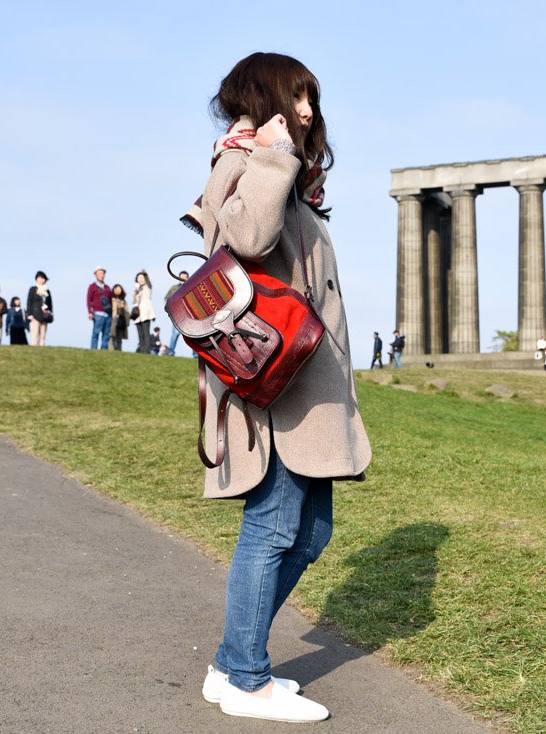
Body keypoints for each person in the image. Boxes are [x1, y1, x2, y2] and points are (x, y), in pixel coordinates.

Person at [185, 51, 371, 723]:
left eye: (312, 99)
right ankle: (243, 676)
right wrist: (269, 158)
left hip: (303, 386)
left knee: (309, 534)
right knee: (271, 528)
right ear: (264, 97)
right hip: (272, 388)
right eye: (297, 97)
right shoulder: (243, 162)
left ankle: (231, 662)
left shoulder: (287, 177)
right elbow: (250, 236)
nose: (309, 112)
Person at [164, 271, 189, 356]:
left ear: (187, 278)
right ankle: (171, 351)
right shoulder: (174, 288)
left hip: (188, 315)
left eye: (184, 277)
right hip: (177, 315)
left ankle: (195, 354)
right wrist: (169, 310)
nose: (182, 279)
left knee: (192, 334)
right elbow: (166, 299)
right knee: (175, 334)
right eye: (180, 277)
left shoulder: (190, 286)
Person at [87, 266, 112, 350]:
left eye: (103, 273)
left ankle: (104, 351)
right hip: (97, 313)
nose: (102, 275)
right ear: (95, 275)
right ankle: (93, 350)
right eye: (100, 273)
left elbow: (110, 301)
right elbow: (88, 300)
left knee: (106, 334)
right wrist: (90, 312)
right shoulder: (92, 286)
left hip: (108, 314)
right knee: (96, 333)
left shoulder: (107, 287)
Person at [26, 271, 53, 346]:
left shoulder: (47, 290)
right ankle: (34, 349)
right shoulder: (32, 289)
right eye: (40, 278)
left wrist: (51, 313)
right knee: (34, 335)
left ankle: (42, 349)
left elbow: (50, 303)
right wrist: (29, 314)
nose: (42, 280)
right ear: (36, 279)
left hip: (45, 315)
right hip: (35, 315)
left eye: (43, 278)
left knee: (43, 335)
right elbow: (29, 302)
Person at [131, 270, 155, 354]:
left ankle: (147, 350)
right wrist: (135, 292)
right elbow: (133, 301)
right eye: (139, 278)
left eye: (142, 277)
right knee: (140, 334)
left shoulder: (147, 286)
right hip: (137, 314)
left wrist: (145, 274)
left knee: (146, 333)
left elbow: (149, 283)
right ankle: (142, 350)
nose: (140, 279)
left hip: (146, 313)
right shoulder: (136, 288)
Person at [110, 284, 129, 351]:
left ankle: (119, 350)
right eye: (116, 289)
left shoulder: (123, 300)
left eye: (119, 289)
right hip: (113, 320)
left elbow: (127, 311)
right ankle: (112, 350)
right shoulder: (111, 299)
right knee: (112, 335)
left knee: (119, 337)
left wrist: (127, 321)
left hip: (121, 320)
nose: (117, 290)